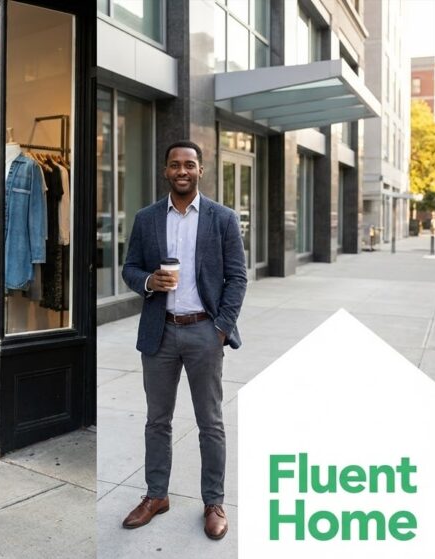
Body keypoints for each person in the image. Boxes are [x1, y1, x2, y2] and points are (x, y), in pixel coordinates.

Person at [120, 140, 247, 541]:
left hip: (203, 331)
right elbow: (129, 267)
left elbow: (238, 277)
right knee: (157, 420)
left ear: (200, 170)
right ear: (165, 171)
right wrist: (147, 281)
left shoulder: (222, 218)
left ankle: (214, 501)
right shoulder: (147, 218)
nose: (182, 171)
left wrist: (221, 327)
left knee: (210, 422)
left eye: (189, 165)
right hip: (160, 331)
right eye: (174, 164)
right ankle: (156, 496)